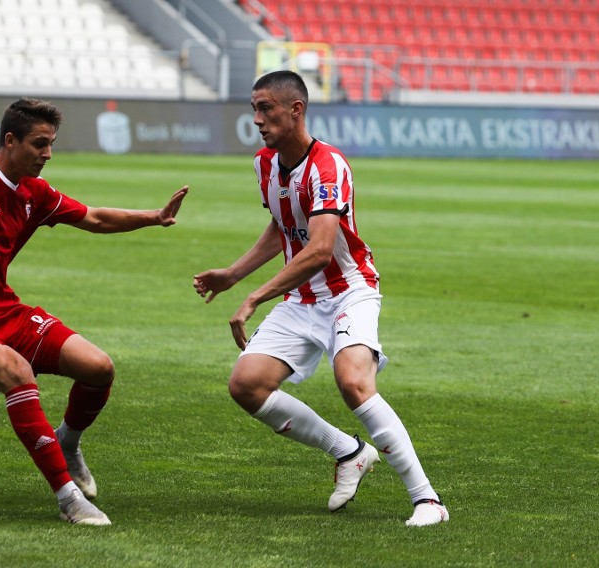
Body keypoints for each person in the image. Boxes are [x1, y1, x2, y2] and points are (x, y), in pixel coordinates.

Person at [0, 97, 188, 526]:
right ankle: (68, 498)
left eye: (51, 143)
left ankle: (68, 441)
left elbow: (94, 218)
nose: (48, 154)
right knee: (17, 371)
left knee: (98, 368)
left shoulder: (34, 193)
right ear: (10, 140)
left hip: (3, 311)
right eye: (40, 144)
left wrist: (153, 216)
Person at [192, 71, 448, 527]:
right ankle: (348, 452)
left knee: (352, 382)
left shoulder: (329, 166)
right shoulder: (264, 164)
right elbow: (283, 225)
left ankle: (427, 500)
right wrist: (232, 275)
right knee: (246, 385)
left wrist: (255, 296)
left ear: (296, 110)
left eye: (266, 108)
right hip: (302, 297)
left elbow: (320, 249)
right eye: (254, 108)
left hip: (349, 290)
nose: (257, 118)